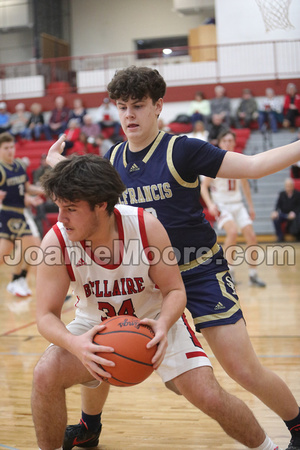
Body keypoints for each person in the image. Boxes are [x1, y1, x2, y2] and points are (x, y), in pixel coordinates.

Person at [47, 66, 300, 450]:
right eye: (122, 107)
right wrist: (56, 165)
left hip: (198, 271)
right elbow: (80, 187)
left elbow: (252, 166)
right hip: (145, 276)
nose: (129, 115)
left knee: (242, 369)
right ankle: (90, 424)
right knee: (105, 340)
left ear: (158, 106)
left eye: (138, 105)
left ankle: (296, 426)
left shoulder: (183, 149)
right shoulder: (112, 158)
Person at [32, 152, 281, 450]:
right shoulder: (56, 241)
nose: (60, 219)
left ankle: (270, 447)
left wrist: (163, 324)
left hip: (155, 319)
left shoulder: (145, 227)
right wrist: (76, 344)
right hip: (92, 326)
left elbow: (175, 291)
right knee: (44, 374)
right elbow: (45, 315)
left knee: (209, 395)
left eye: (70, 209)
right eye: (59, 208)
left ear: (101, 205)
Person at [201, 130, 266, 286]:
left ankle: (253, 274)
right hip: (222, 205)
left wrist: (250, 206)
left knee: (251, 237)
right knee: (232, 232)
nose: (228, 143)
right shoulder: (213, 162)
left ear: (234, 143)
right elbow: (204, 187)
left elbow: (245, 185)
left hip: (238, 204)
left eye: (231, 140)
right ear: (220, 143)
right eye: (225, 140)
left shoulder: (239, 161)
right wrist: (210, 205)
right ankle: (229, 272)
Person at [0, 132, 44, 296]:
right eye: (6, 148)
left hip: (21, 211)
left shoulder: (19, 165)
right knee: (33, 245)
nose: (10, 150)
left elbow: (26, 188)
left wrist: (41, 191)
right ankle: (20, 280)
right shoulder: (0, 169)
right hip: (8, 213)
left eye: (11, 147)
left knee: (6, 253)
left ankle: (17, 280)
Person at [271, 178, 300, 242]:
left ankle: (297, 236)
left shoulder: (297, 194)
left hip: (294, 215)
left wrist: (294, 213)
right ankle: (280, 236)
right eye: (287, 186)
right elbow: (278, 205)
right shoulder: (282, 194)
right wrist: (275, 211)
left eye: (289, 186)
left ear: (292, 186)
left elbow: (298, 206)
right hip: (284, 214)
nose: (288, 188)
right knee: (275, 218)